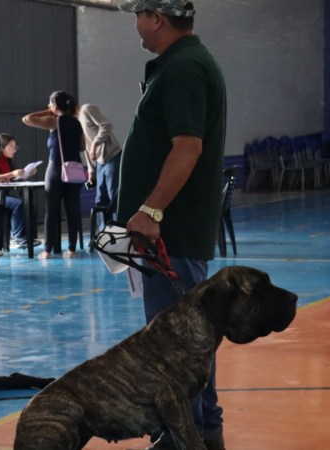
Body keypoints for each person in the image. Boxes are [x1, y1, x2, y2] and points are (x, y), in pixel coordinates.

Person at [116, 1, 227, 449]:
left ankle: (185, 437)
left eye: (138, 13)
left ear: (156, 18)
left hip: (171, 232)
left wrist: (152, 211)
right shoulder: (182, 64)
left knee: (173, 344)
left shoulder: (184, 68)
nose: (136, 23)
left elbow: (188, 148)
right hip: (172, 233)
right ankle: (201, 430)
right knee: (188, 340)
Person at [22, 91, 84, 260]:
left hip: (56, 169)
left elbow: (27, 119)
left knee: (52, 209)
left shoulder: (54, 121)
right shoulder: (77, 123)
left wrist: (49, 111)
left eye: (51, 104)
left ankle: (47, 250)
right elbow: (83, 146)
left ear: (54, 106)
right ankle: (72, 250)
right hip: (75, 169)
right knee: (73, 210)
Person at [0, 134, 40, 249]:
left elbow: (13, 179)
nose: (14, 150)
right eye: (11, 147)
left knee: (28, 203)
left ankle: (29, 236)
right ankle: (18, 237)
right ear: (2, 148)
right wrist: (9, 175)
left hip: (2, 196)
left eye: (15, 147)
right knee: (19, 204)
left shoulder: (6, 161)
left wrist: (27, 175)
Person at [77, 103, 122, 228]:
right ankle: (104, 235)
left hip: (112, 156)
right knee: (100, 200)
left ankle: (120, 232)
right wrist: (91, 171)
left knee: (114, 196)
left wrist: (95, 143)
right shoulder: (77, 121)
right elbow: (87, 148)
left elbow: (106, 125)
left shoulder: (86, 109)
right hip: (100, 162)